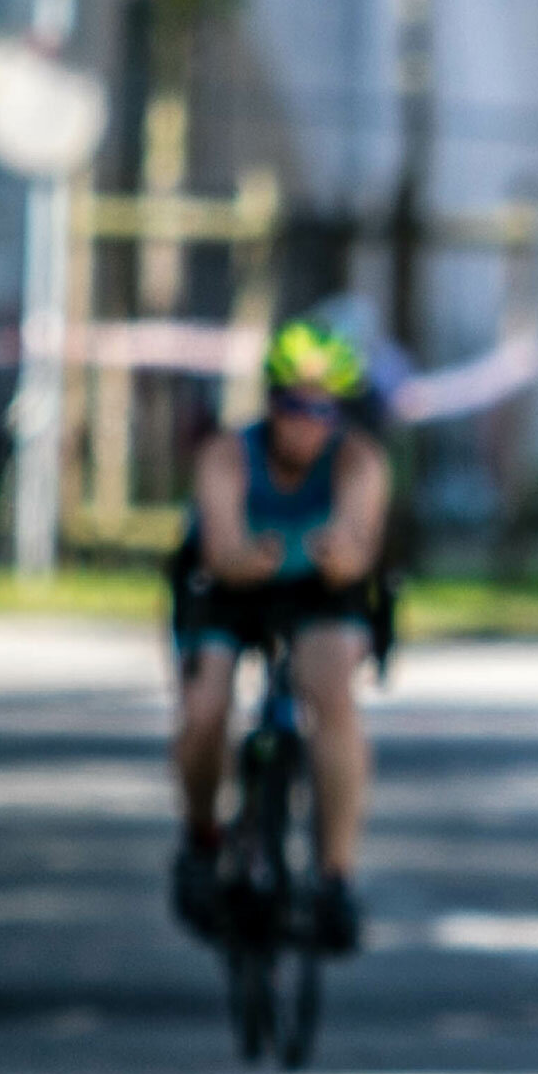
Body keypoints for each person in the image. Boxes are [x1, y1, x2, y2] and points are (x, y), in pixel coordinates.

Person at [169, 317, 391, 953]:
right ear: (271, 403)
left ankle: (335, 876)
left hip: (319, 594)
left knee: (333, 695)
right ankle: (202, 838)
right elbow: (221, 548)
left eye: (325, 408)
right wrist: (250, 558)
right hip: (231, 587)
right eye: (295, 405)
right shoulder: (227, 455)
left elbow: (359, 543)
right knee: (205, 704)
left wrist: (339, 557)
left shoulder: (357, 459)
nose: (309, 421)